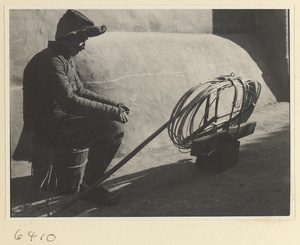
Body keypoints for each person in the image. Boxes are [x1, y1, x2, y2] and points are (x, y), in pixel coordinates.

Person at [23, 9, 129, 206]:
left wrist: (114, 104)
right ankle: (90, 187)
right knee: (113, 129)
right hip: (48, 129)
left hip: (60, 123)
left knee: (110, 125)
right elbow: (70, 102)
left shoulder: (64, 59)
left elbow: (80, 91)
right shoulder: (50, 61)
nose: (83, 47)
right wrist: (114, 113)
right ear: (68, 38)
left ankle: (88, 183)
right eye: (82, 40)